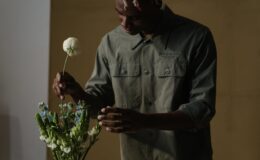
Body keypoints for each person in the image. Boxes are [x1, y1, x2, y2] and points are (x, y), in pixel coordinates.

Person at [53, 0, 217, 159]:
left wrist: (144, 121)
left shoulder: (196, 38)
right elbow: (97, 107)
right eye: (120, 14)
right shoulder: (111, 43)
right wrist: (76, 92)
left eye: (134, 17)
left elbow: (202, 109)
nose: (125, 24)